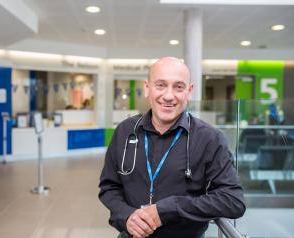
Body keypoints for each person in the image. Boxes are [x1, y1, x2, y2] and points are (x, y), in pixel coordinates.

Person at [98, 57, 246, 238]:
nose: (168, 96)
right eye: (160, 85)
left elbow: (232, 201)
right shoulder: (125, 131)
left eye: (178, 87)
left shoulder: (209, 139)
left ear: (189, 91)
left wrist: (168, 209)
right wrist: (126, 216)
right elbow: (109, 187)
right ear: (147, 87)